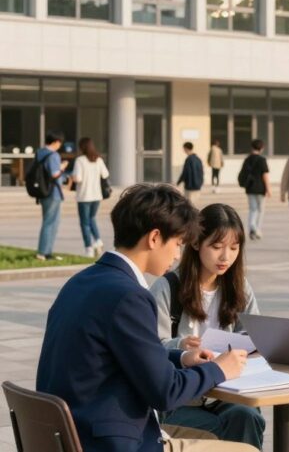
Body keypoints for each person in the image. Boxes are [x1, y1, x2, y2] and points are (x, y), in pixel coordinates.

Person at [36, 183, 253, 452]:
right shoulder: (130, 296)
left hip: (75, 434)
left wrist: (181, 357)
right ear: (154, 238)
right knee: (246, 450)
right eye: (177, 243)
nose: (177, 254)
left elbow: (125, 356)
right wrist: (220, 369)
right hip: (114, 442)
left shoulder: (81, 282)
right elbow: (166, 393)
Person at [150, 203, 265, 449]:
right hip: (180, 398)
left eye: (234, 248)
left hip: (229, 392)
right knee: (222, 430)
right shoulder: (167, 288)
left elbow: (256, 334)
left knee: (248, 417)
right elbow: (150, 349)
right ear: (195, 243)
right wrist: (181, 347)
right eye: (216, 247)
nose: (226, 257)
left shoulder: (239, 286)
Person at [72, 137, 110, 258]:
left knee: (84, 223)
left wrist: (71, 177)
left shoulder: (80, 160)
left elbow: (78, 178)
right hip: (96, 196)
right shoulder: (98, 159)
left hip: (84, 196)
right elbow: (105, 174)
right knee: (92, 218)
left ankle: (88, 248)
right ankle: (98, 240)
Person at [35, 130, 69, 261]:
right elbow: (54, 174)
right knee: (51, 223)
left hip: (43, 192)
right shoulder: (53, 155)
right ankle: (44, 252)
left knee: (48, 221)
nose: (60, 145)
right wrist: (63, 167)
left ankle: (45, 252)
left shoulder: (40, 153)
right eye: (59, 143)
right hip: (53, 192)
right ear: (56, 142)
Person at [239, 139, 270, 240]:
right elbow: (265, 175)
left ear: (252, 147)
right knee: (260, 210)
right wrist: (268, 189)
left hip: (250, 187)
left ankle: (252, 228)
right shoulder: (262, 160)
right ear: (261, 148)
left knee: (252, 209)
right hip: (260, 188)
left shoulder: (247, 159)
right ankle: (257, 229)